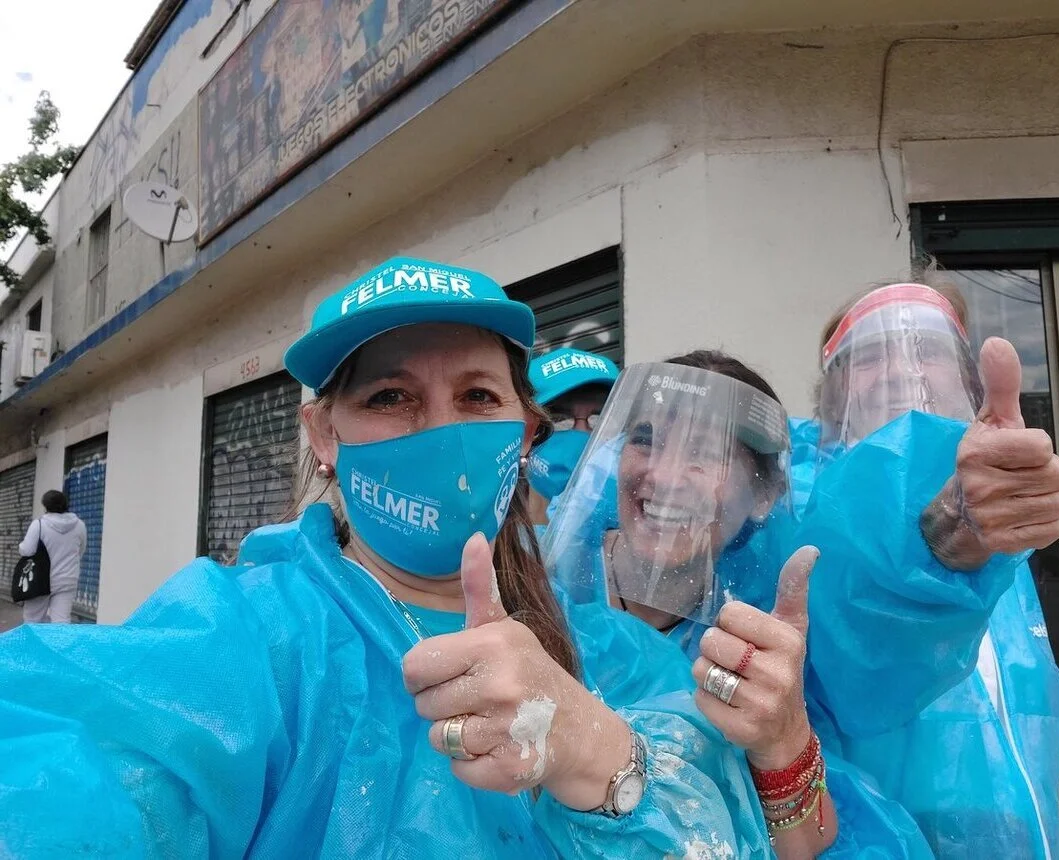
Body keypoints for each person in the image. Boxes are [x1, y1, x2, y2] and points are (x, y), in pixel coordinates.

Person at [0, 258, 779, 859]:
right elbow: (78, 771)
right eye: (389, 397)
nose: (440, 430)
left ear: (524, 432)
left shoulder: (617, 657)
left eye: (477, 397)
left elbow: (723, 828)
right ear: (323, 436)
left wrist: (595, 755)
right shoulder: (246, 634)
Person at [544, 351, 934, 857]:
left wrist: (782, 741)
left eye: (706, 452)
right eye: (645, 440)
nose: (663, 476)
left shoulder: (758, 632)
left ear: (765, 493)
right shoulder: (542, 585)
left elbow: (808, 847)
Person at [796, 279, 1059, 859]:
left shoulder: (992, 505)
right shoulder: (808, 506)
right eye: (868, 356)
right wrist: (947, 540)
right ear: (835, 393)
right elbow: (858, 659)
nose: (900, 368)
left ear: (967, 381)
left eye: (929, 349)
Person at [525, 346, 619, 525]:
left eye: (600, 419)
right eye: (560, 419)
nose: (581, 433)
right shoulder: (487, 539)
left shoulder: (638, 537)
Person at [17, 489, 86, 624]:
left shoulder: (39, 524)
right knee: (61, 621)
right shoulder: (80, 525)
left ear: (46, 506)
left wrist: (21, 546)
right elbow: (80, 551)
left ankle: (35, 645)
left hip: (40, 580)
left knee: (33, 620)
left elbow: (27, 551)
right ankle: (58, 645)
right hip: (67, 579)